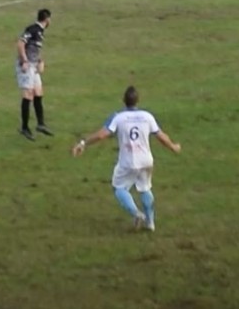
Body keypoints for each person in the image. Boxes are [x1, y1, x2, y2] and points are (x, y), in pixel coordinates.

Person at [71, 86, 182, 231]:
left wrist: (83, 143)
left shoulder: (118, 117)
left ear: (124, 101)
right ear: (138, 100)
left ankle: (136, 213)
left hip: (128, 161)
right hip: (146, 160)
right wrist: (173, 146)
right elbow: (161, 136)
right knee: (145, 188)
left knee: (119, 188)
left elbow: (102, 135)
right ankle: (150, 223)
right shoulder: (147, 116)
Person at [17, 8, 53, 140]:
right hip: (26, 65)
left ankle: (40, 124)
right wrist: (24, 61)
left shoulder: (40, 32)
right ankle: (24, 128)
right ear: (47, 19)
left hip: (34, 65)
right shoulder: (32, 29)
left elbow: (35, 49)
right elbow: (20, 43)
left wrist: (40, 61)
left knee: (39, 92)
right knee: (28, 94)